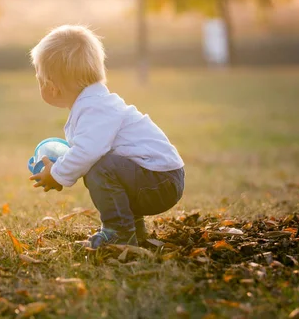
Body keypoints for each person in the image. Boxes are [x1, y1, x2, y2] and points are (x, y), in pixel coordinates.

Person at [28, 25, 185, 249]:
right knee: (106, 166)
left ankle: (119, 234)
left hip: (160, 181)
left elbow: (86, 152)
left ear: (51, 87)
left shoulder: (95, 108)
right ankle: (132, 231)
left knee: (100, 168)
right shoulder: (94, 103)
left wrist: (56, 173)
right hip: (158, 177)